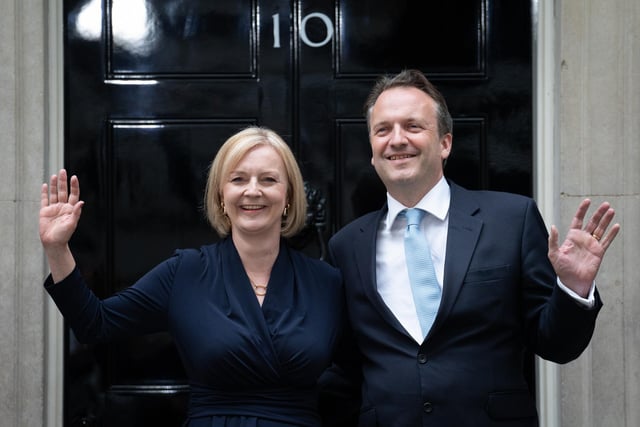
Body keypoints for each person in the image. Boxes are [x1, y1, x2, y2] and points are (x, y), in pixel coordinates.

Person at [319, 69, 620, 426]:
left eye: (413, 126)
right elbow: (345, 366)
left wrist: (573, 289)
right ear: (371, 150)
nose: (396, 140)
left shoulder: (511, 219)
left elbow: (556, 344)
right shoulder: (346, 246)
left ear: (445, 143)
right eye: (383, 130)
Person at [40, 126, 344, 426]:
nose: (253, 190)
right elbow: (94, 324)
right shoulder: (185, 273)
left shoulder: (326, 282)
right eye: (238, 179)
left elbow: (356, 371)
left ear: (288, 195)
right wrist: (57, 248)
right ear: (222, 195)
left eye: (268, 179)